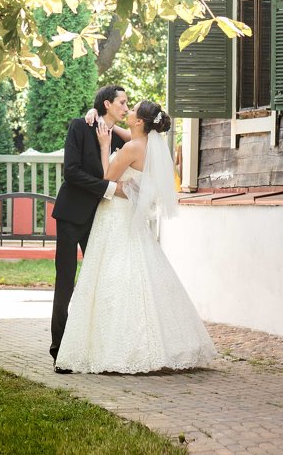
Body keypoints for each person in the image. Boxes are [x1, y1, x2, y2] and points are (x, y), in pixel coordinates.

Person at [54, 99, 217, 374]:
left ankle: (115, 345)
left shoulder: (131, 148)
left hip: (115, 213)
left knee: (112, 274)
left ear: (140, 121)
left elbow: (107, 176)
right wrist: (95, 114)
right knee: (138, 271)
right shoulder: (146, 143)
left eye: (132, 109)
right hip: (126, 215)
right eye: (124, 104)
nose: (127, 110)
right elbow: (120, 131)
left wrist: (106, 147)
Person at [50, 85, 134, 372]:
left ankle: (91, 347)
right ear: (107, 104)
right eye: (122, 103)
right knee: (65, 282)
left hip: (99, 220)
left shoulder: (120, 142)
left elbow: (142, 140)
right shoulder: (79, 126)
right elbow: (71, 172)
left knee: (97, 283)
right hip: (71, 215)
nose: (126, 108)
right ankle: (59, 349)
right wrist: (110, 188)